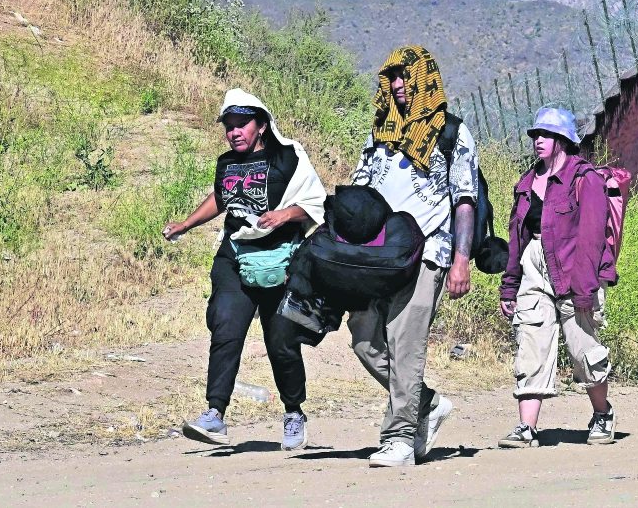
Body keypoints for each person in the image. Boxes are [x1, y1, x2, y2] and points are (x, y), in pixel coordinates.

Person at [164, 89, 326, 450]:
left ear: (262, 125)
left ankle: (294, 412)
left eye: (242, 124)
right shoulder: (226, 162)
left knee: (281, 342)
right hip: (236, 254)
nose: (234, 132)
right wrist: (186, 224)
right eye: (229, 126)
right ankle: (215, 414)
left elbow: (315, 201)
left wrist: (284, 214)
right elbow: (222, 198)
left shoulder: (288, 157)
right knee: (226, 326)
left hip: (281, 258)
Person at [348, 46, 478, 467]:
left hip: (429, 251)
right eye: (393, 78)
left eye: (407, 77)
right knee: (364, 338)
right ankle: (427, 403)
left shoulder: (452, 133)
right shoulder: (379, 134)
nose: (399, 86)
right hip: (377, 253)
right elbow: (362, 190)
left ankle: (400, 437)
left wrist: (461, 260)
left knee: (405, 343)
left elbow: (464, 200)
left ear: (425, 79)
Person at [497, 107, 615, 449]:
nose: (538, 141)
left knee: (583, 349)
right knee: (530, 343)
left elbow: (593, 237)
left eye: (546, 135)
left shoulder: (585, 178)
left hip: (577, 265)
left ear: (563, 141)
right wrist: (510, 286)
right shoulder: (525, 182)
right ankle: (526, 428)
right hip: (534, 263)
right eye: (536, 135)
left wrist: (583, 291)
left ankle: (602, 413)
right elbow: (516, 237)